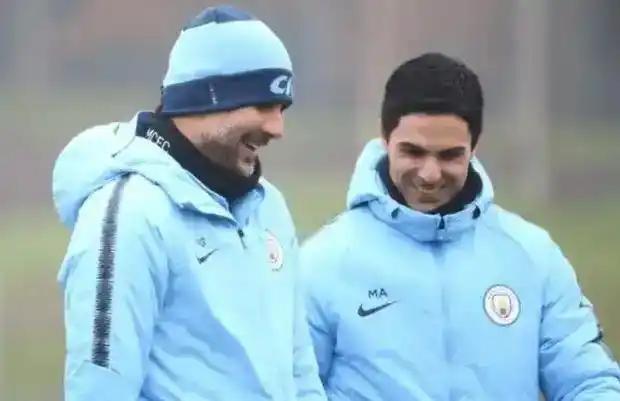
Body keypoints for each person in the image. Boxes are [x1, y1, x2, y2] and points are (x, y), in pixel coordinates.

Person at [301, 52, 620, 401]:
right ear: (384, 138)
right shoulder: (321, 263)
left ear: (474, 147)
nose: (429, 174)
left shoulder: (533, 255)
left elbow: (589, 382)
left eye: (449, 155)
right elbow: (292, 388)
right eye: (413, 152)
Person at [53, 5, 326, 401]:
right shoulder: (129, 216)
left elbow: (300, 371)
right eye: (264, 106)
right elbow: (99, 389)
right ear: (209, 98)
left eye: (282, 109)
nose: (277, 128)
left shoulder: (269, 206)